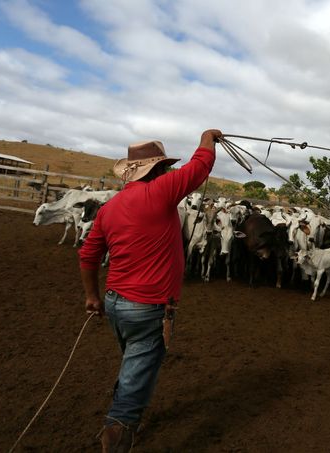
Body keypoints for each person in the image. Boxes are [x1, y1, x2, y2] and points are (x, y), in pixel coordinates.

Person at [79, 129, 222, 452]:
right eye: (164, 168)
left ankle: (127, 417)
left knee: (133, 364)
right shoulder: (160, 191)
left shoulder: (109, 209)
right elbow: (200, 165)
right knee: (135, 374)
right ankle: (118, 432)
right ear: (156, 170)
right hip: (149, 307)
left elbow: (88, 255)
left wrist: (92, 297)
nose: (168, 172)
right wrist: (207, 137)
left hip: (116, 304)